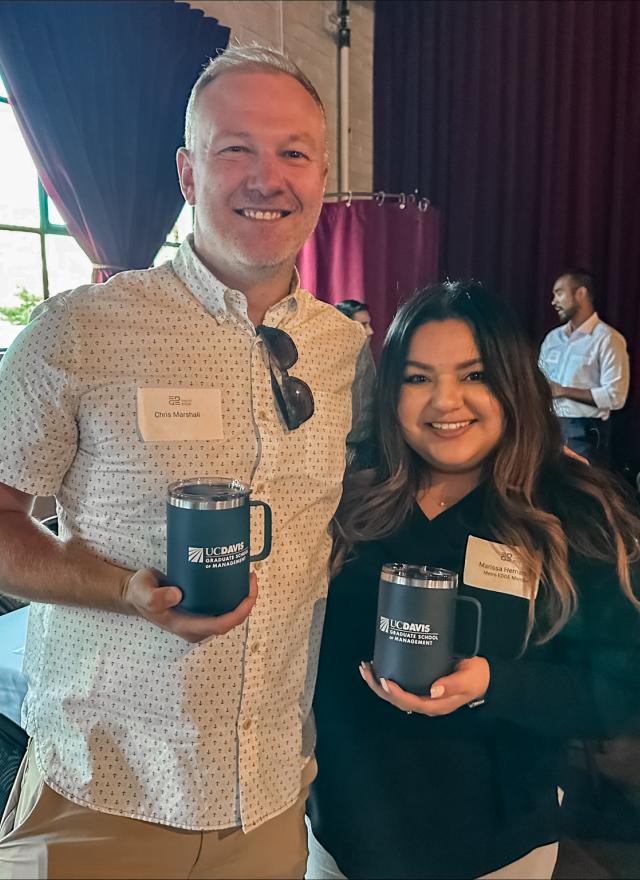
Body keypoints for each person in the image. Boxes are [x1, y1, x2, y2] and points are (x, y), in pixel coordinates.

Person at [0, 46, 374, 879]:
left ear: (320, 178)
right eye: (234, 148)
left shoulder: (349, 355)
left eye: (293, 152)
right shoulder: (80, 332)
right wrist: (122, 590)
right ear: (186, 171)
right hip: (103, 798)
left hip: (270, 802)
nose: (265, 177)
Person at [306, 281, 640, 880]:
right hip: (338, 844)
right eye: (417, 378)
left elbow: (619, 691)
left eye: (474, 375)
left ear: (512, 383)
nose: (445, 402)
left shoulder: (572, 513)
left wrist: (496, 683)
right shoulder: (348, 497)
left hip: (493, 850)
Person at [539, 269, 629, 462]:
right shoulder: (553, 338)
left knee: (579, 487)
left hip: (584, 431)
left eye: (559, 293)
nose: (553, 301)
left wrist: (563, 391)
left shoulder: (608, 339)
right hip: (547, 425)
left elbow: (616, 396)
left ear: (581, 293)